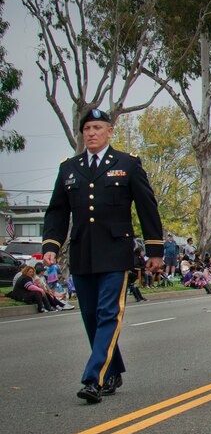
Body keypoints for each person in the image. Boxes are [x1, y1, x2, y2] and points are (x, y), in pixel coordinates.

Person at [42, 108, 165, 403]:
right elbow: (57, 211)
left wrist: (155, 251)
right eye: (87, 129)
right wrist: (51, 245)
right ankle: (113, 368)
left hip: (114, 253)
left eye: (97, 127)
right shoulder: (69, 168)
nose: (91, 133)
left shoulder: (127, 164)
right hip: (82, 253)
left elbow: (147, 209)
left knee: (108, 314)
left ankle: (94, 378)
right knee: (91, 318)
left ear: (110, 131)